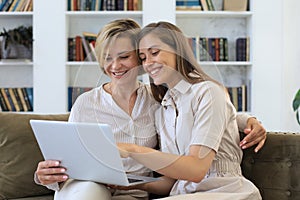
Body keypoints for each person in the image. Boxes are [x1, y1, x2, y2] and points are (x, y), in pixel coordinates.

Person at [34, 19, 265, 199]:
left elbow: (211, 111)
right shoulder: (88, 103)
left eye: (125, 56)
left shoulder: (157, 100)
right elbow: (67, 161)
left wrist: (247, 121)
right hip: (93, 188)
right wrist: (45, 176)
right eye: (107, 58)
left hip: (142, 193)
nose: (115, 66)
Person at [116, 21, 262, 199]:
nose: (148, 63)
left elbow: (196, 169)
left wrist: (133, 149)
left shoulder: (207, 91)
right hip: (182, 194)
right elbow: (170, 182)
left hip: (224, 191)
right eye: (144, 58)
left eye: (154, 52)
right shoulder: (162, 110)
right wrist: (127, 183)